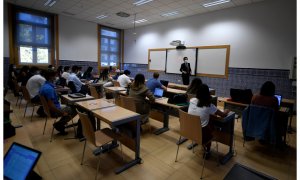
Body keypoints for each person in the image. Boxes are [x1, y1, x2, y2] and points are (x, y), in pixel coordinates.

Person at [188, 84, 229, 158]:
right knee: (210, 124)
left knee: (209, 121)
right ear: (208, 94)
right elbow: (223, 115)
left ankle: (202, 144)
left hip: (190, 131)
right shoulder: (209, 105)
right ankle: (207, 151)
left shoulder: (191, 100)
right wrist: (227, 110)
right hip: (202, 135)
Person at [39, 70, 77, 135]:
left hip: (47, 109)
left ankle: (60, 123)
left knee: (70, 106)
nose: (56, 77)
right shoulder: (49, 89)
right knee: (76, 109)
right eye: (55, 76)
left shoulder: (44, 86)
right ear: (51, 77)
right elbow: (51, 106)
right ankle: (59, 124)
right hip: (54, 110)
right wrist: (62, 113)